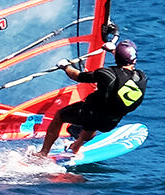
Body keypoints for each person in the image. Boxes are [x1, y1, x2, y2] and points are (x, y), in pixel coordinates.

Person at [36, 30, 145, 159]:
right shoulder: (141, 77)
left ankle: (43, 153)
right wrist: (113, 50)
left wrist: (66, 66)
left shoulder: (106, 74)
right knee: (96, 119)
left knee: (60, 117)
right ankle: (76, 147)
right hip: (110, 122)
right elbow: (124, 67)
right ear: (134, 60)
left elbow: (77, 76)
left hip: (91, 114)